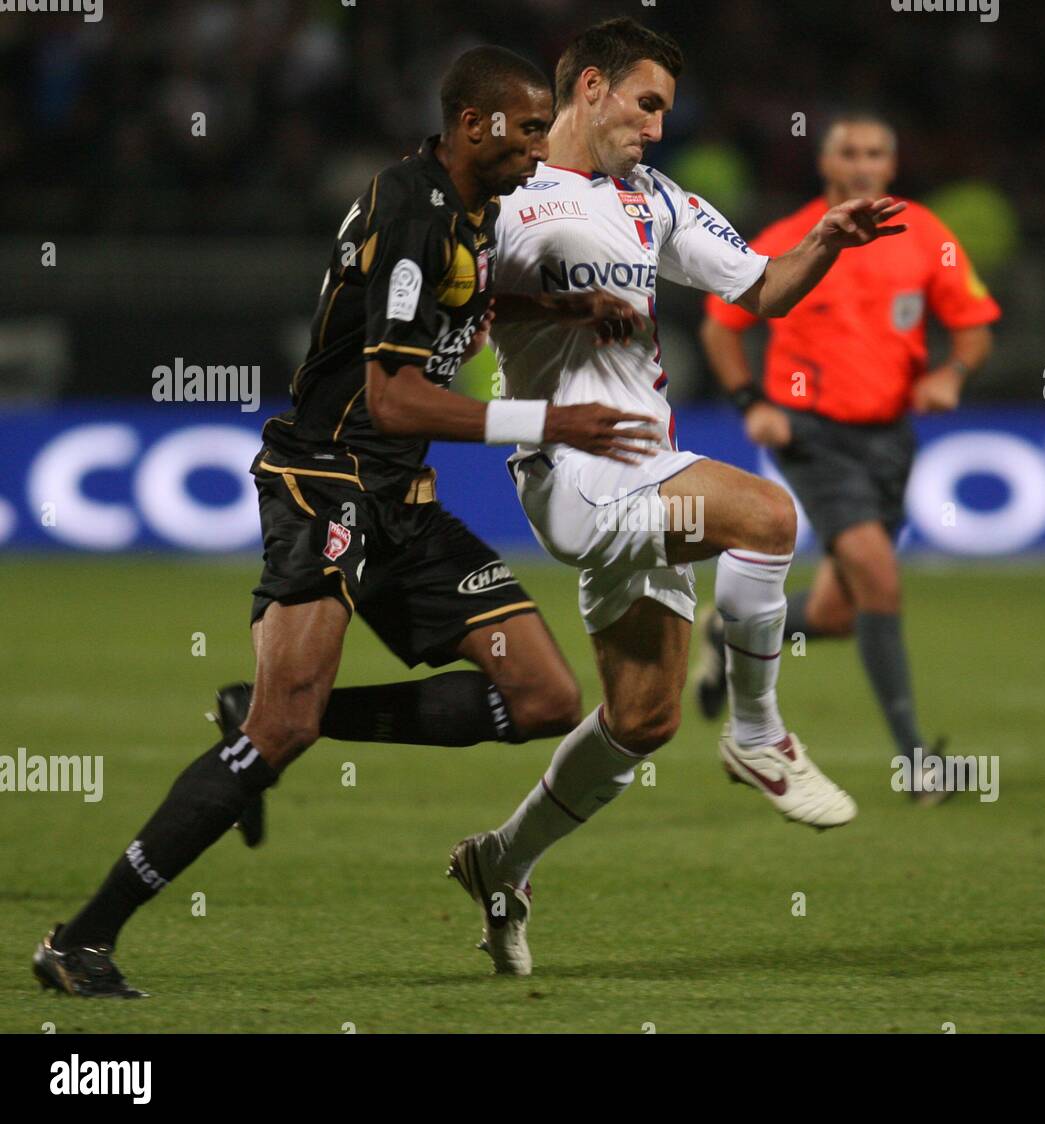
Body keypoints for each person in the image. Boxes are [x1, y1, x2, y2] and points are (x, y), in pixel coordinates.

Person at [33, 45, 656, 999]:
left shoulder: (468, 206)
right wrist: (552, 419)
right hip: (325, 482)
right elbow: (396, 397)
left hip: (400, 498)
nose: (541, 148)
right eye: (530, 129)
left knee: (544, 700)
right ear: (478, 123)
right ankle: (81, 941)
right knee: (277, 737)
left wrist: (561, 303)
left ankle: (287, 713)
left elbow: (466, 295)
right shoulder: (410, 211)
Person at [444, 19, 909, 977]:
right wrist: (563, 306)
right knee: (768, 517)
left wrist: (825, 239)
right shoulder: (508, 192)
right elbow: (461, 301)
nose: (658, 127)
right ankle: (755, 733)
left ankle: (502, 862)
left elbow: (765, 291)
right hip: (573, 472)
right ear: (590, 90)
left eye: (665, 110)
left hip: (648, 465)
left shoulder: (655, 202)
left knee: (643, 717)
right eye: (645, 104)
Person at [695, 113, 1001, 805]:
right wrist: (752, 403)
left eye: (875, 153)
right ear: (824, 164)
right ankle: (919, 764)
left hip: (891, 438)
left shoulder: (926, 236)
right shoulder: (788, 240)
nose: (862, 164)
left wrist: (952, 374)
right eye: (848, 152)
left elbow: (976, 325)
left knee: (840, 612)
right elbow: (722, 326)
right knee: (878, 575)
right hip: (814, 437)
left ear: (891, 167)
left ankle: (726, 627)